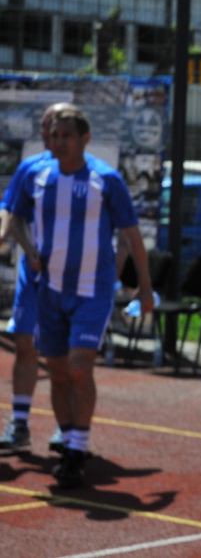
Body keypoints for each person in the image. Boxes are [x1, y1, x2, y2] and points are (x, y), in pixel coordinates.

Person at [9, 106, 154, 488]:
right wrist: (28, 248)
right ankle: (68, 436)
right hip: (49, 289)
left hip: (92, 289)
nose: (58, 142)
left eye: (66, 136)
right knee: (57, 372)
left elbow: (132, 236)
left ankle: (77, 449)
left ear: (84, 139)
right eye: (54, 135)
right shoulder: (37, 174)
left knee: (78, 366)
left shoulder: (106, 180)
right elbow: (14, 217)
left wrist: (145, 287)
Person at [0, 102, 70, 455]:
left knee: (66, 354)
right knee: (25, 342)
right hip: (35, 272)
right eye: (44, 127)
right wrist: (24, 247)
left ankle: (67, 427)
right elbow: (12, 212)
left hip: (71, 277)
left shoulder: (92, 173)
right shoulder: (31, 168)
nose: (47, 133)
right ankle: (20, 423)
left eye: (53, 127)